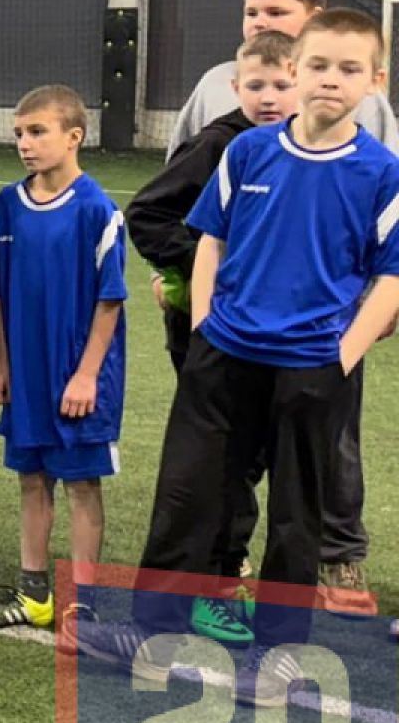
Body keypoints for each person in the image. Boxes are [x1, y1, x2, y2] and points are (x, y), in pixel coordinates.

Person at [101, 10, 399, 707]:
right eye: (318, 65)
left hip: (313, 368)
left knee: (298, 514)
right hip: (224, 355)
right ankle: (153, 634)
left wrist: (342, 355)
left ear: (375, 81)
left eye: (349, 69)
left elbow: (390, 278)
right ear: (295, 69)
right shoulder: (248, 151)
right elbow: (211, 239)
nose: (331, 79)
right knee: (187, 494)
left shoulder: (382, 173)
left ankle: (278, 655)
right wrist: (205, 324)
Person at [126, 32, 297, 627]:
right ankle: (211, 586)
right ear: (235, 86)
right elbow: (146, 214)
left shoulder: (301, 148)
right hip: (209, 331)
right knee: (217, 463)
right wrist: (211, 270)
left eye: (281, 85)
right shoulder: (219, 144)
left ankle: (223, 574)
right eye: (257, 85)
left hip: (268, 334)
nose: (269, 97)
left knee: (249, 461)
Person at [0, 86, 126, 633]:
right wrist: (3, 364)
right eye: (19, 133)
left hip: (77, 375)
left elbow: (110, 300)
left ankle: (84, 605)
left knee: (82, 484)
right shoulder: (8, 204)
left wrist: (86, 375)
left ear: (73, 136)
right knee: (31, 478)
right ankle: (34, 593)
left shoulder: (97, 209)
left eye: (37, 132)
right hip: (28, 374)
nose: (24, 143)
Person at [168, 0, 397, 157]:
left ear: (314, 18)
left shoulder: (353, 90)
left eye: (275, 13)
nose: (259, 22)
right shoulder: (215, 83)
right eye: (251, 13)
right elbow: (181, 164)